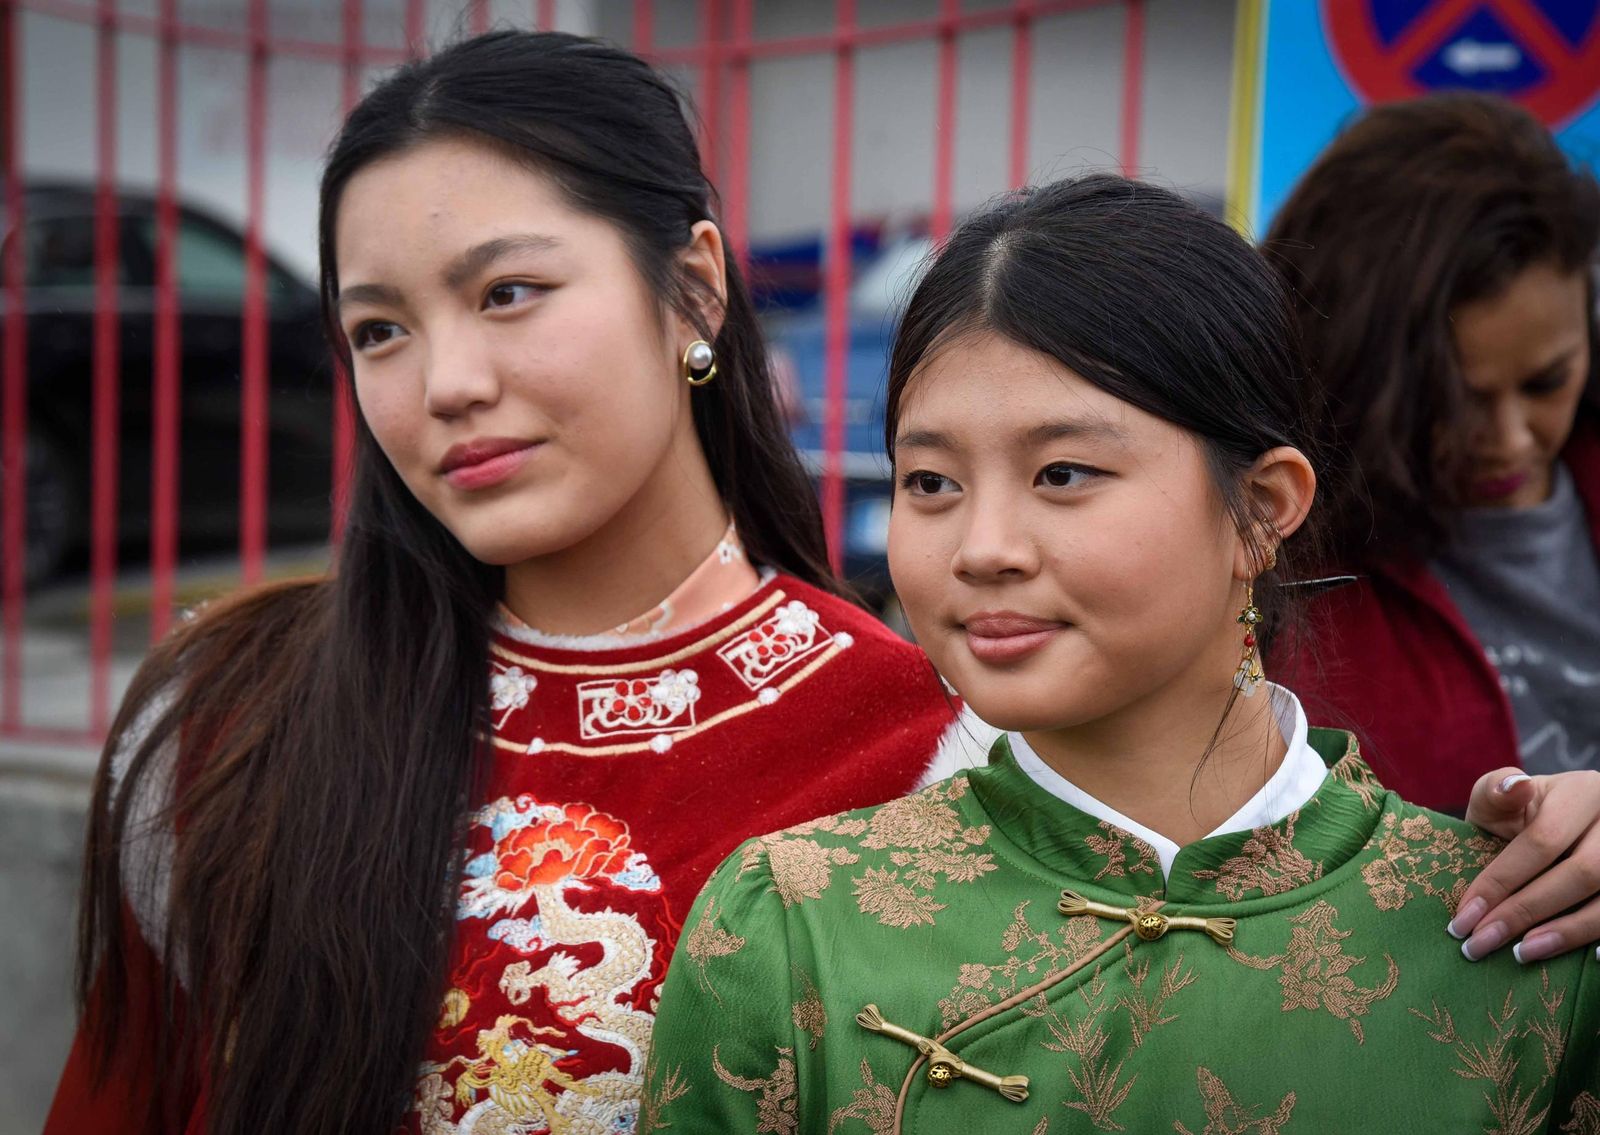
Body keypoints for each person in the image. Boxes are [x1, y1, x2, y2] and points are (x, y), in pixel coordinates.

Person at [44, 32, 961, 1135]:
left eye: (508, 291)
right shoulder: (230, 716)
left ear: (694, 290)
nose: (447, 385)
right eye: (379, 330)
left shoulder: (917, 756)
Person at [641, 176, 1600, 1133]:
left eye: (1063, 473)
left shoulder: (1518, 934)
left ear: (1261, 510)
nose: (982, 547)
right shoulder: (790, 926)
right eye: (929, 481)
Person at [1264, 94, 1600, 819]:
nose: (1510, 438)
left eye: (1547, 381)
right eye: (1449, 402)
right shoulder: (1275, 566)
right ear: (1345, 374)